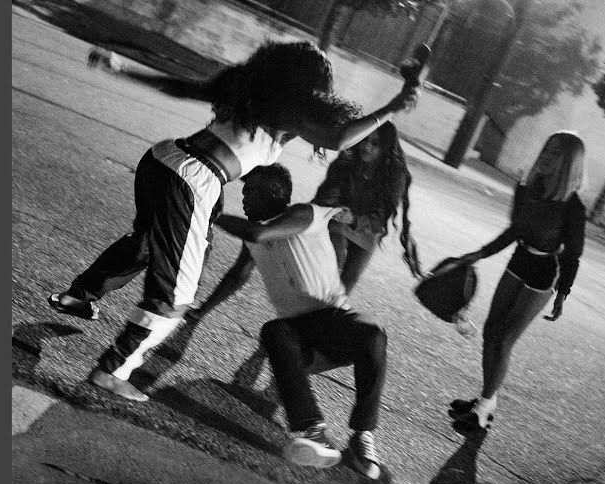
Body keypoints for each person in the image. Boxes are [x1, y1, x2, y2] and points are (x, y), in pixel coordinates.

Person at [48, 40, 422, 403]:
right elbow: (339, 138)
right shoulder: (290, 108)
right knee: (177, 293)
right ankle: (113, 370)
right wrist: (392, 106)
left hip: (163, 158)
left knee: (147, 243)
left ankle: (79, 296)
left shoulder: (246, 90)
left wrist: (120, 67)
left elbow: (179, 87)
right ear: (310, 84)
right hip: (193, 179)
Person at [187, 164, 389, 479]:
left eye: (251, 191)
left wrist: (212, 215)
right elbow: (238, 275)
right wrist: (202, 310)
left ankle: (363, 435)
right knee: (273, 330)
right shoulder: (254, 235)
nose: (244, 199)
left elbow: (257, 233)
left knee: (373, 333)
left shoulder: (304, 214)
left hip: (332, 321)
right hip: (298, 338)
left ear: (275, 193)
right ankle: (314, 432)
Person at [439, 131, 588, 431]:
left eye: (555, 152)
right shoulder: (527, 189)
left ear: (569, 163)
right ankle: (486, 400)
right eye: (546, 148)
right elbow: (514, 230)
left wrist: (562, 293)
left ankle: (483, 408)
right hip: (519, 261)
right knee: (490, 332)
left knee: (505, 338)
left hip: (545, 272)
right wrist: (480, 253)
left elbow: (573, 255)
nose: (546, 155)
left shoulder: (573, 207)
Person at [311, 121, 424, 292]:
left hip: (368, 228)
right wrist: (335, 207)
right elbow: (328, 194)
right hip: (339, 220)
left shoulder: (395, 174)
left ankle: (331, 306)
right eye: (364, 140)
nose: (367, 147)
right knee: (333, 260)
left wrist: (354, 219)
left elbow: (381, 218)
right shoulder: (347, 160)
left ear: (385, 147)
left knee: (347, 283)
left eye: (375, 143)